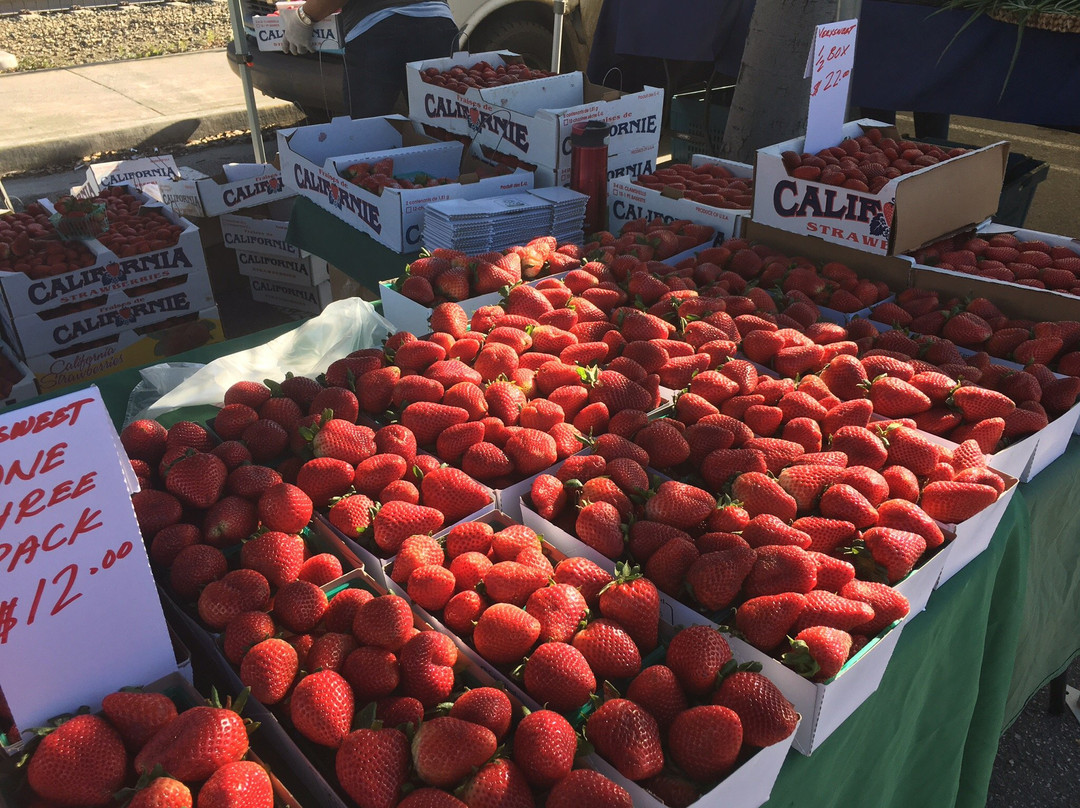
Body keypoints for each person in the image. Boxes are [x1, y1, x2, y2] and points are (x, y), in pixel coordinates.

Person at [281, 0, 460, 118]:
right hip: (438, 25)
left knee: (368, 131)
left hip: (379, 31)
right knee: (444, 125)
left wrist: (304, 17)